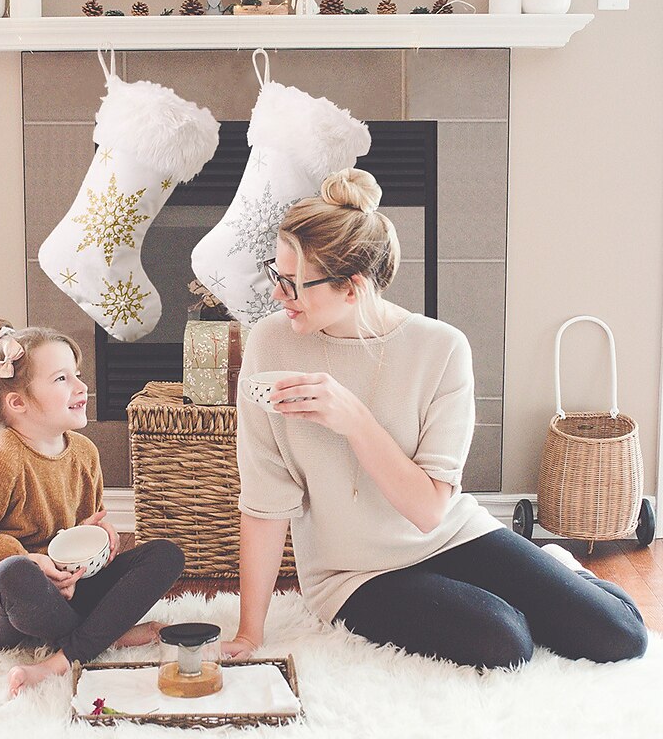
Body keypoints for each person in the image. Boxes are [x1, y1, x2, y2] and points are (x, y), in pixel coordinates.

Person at [222, 169, 647, 669]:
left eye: (292, 284)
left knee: (620, 636)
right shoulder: (271, 344)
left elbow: (427, 512)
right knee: (505, 641)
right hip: (352, 574)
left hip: (449, 534)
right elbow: (265, 501)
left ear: (353, 287)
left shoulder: (441, 349)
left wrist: (354, 419)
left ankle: (558, 568)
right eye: (277, 273)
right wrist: (250, 633)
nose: (277, 295)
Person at [0, 318, 184, 696]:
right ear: (17, 403)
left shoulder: (84, 453)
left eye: (77, 374)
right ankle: (103, 634)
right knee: (17, 573)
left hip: (67, 590)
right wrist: (30, 559)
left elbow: (83, 525)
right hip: (4, 606)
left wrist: (99, 534)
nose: (82, 388)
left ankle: (70, 649)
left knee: (166, 555)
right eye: (61, 379)